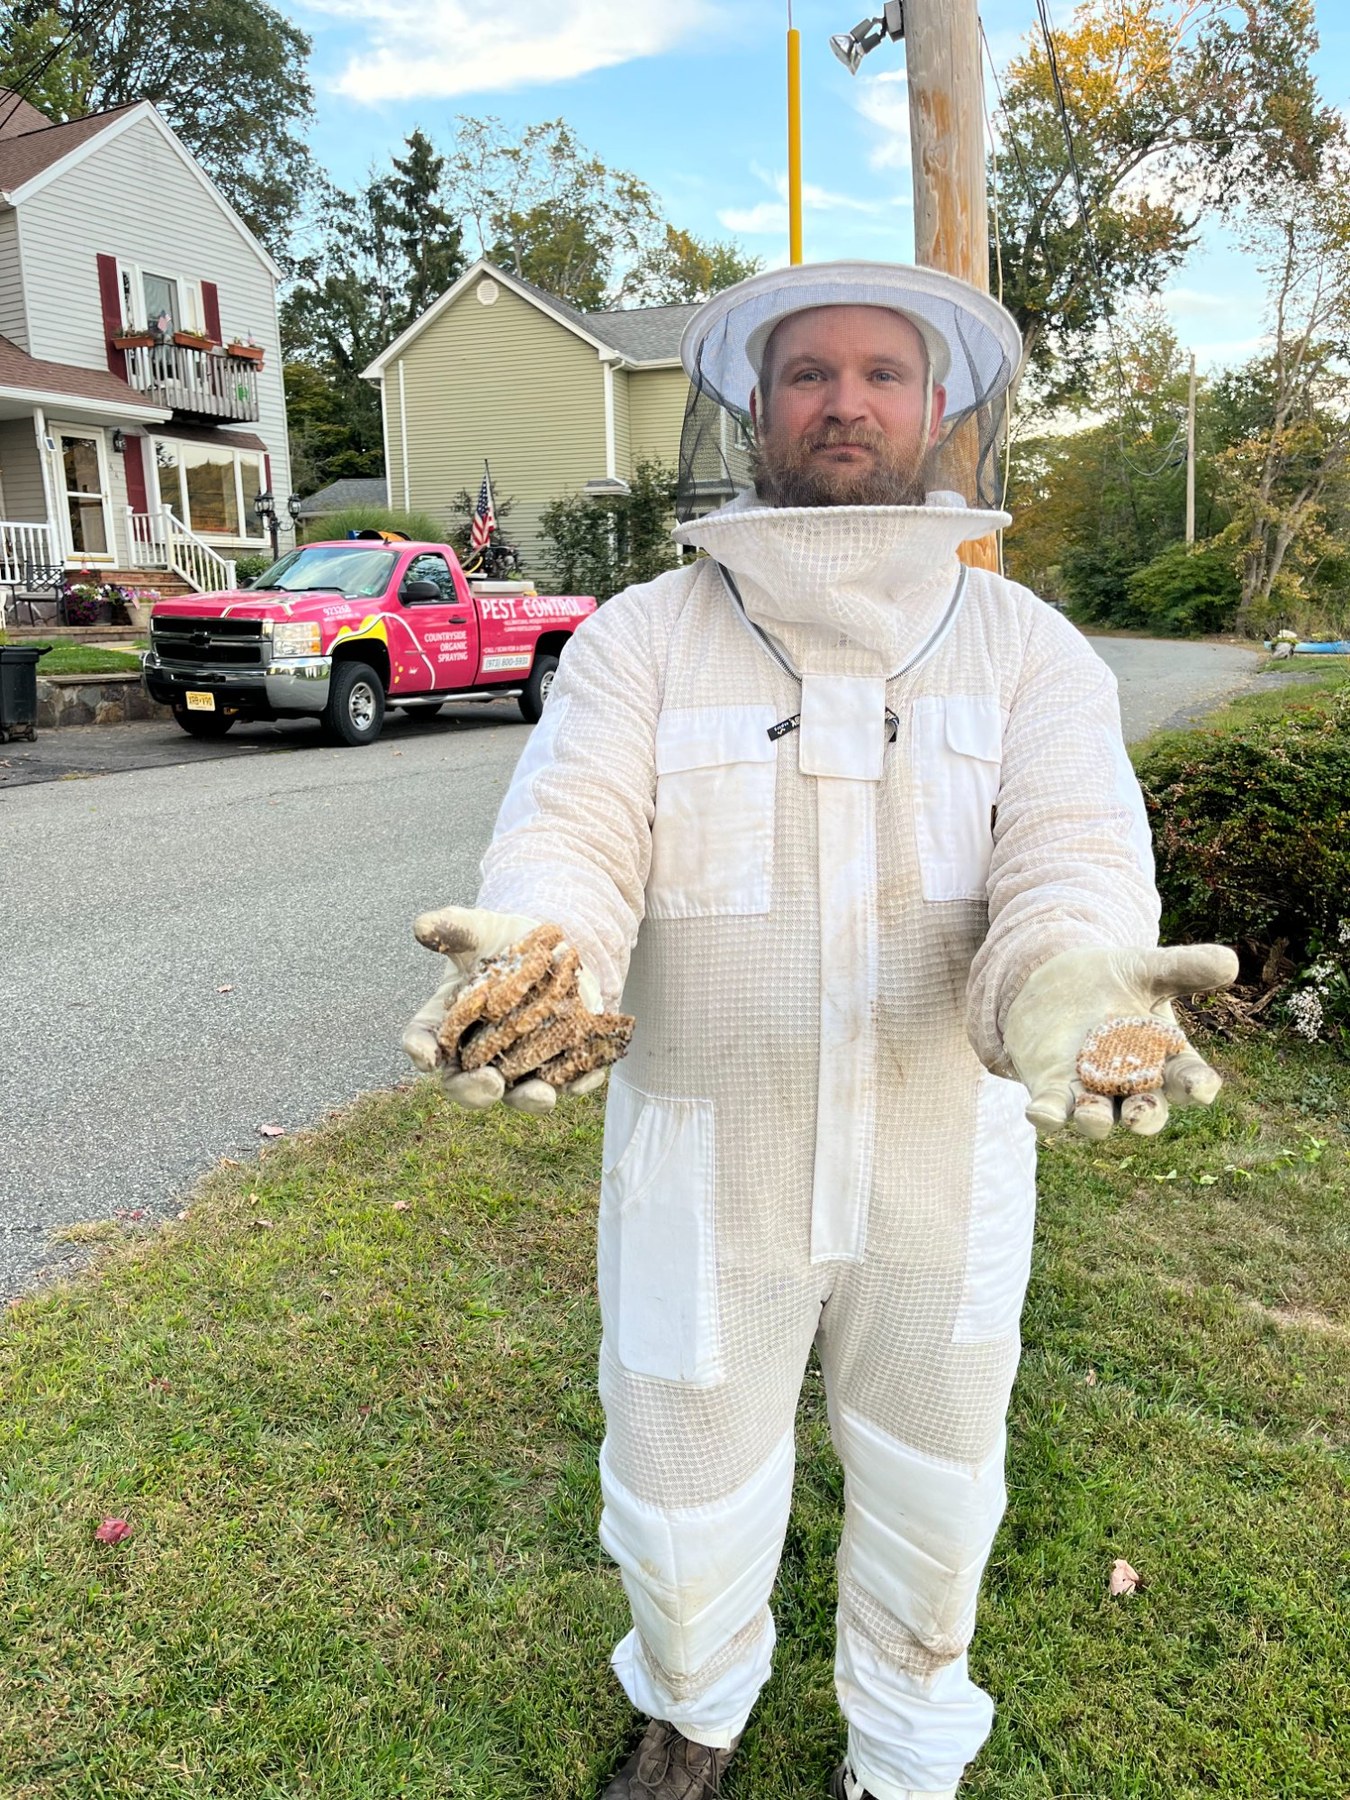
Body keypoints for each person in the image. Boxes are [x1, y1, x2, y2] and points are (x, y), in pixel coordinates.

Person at [402, 263, 1237, 1800]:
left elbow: (1068, 859)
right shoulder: (644, 639)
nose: (843, 401)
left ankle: (904, 1746)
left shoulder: (1027, 649)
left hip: (944, 1164)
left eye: (880, 374)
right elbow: (574, 831)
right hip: (703, 1160)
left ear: (938, 411)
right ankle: (690, 1709)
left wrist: (1071, 988)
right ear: (751, 405)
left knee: (932, 1475)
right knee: (678, 1472)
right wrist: (544, 952)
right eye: (807, 374)